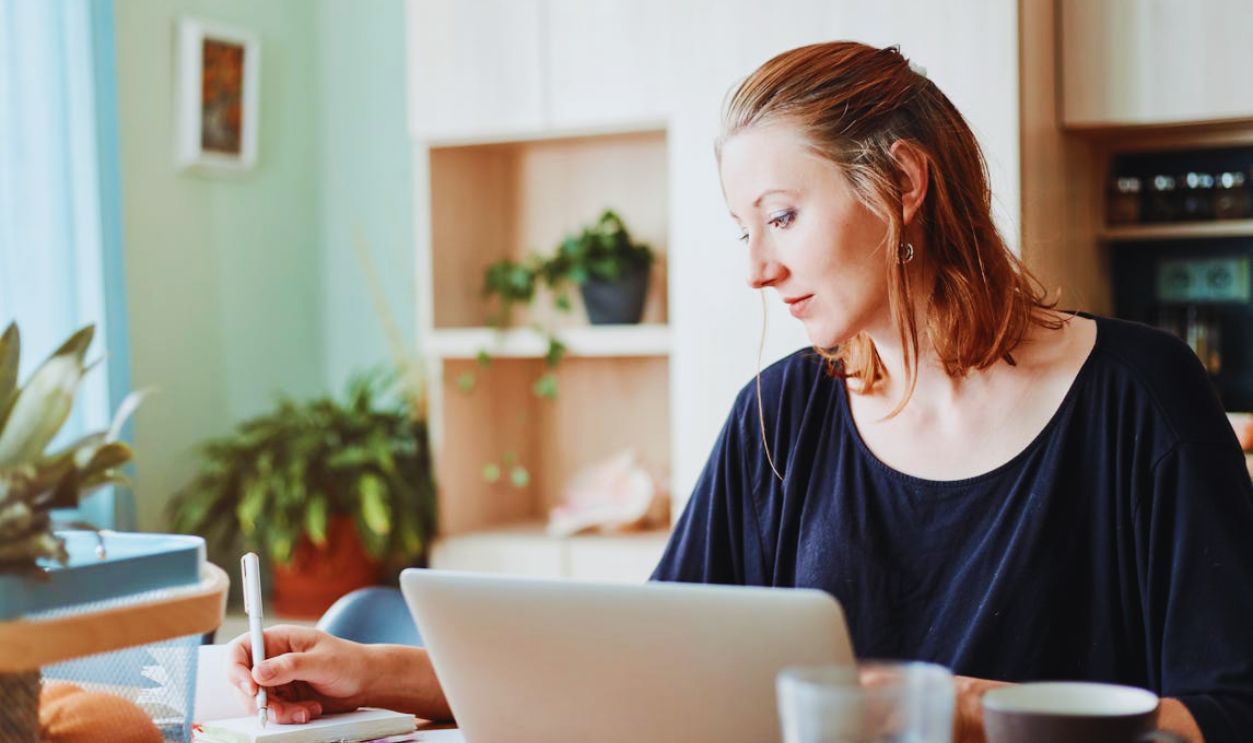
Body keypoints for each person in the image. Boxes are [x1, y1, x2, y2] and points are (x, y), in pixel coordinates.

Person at [228, 41, 1253, 743]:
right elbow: (640, 670)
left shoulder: (1138, 395)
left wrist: (963, 706)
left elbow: (1225, 707)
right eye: (742, 230)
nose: (756, 267)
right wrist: (373, 672)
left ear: (899, 182)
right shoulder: (781, 415)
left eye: (779, 215)